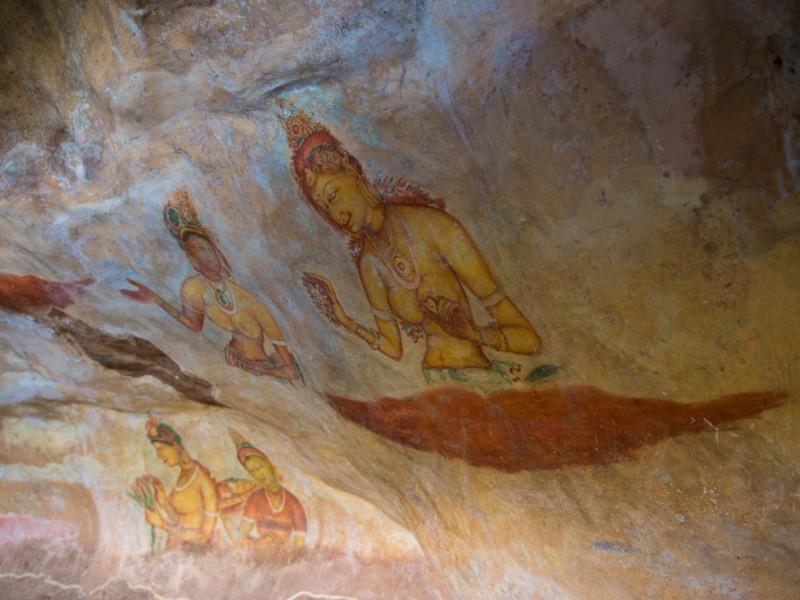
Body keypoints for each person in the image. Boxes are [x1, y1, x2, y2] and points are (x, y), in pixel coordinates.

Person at [280, 107, 541, 383]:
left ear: (352, 172)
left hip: (478, 376)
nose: (335, 214)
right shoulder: (369, 263)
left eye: (333, 195)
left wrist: (473, 334)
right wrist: (345, 321)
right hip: (433, 383)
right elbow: (392, 348)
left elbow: (529, 339)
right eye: (324, 207)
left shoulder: (435, 227)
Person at [120, 190, 300, 382]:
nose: (207, 256)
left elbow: (291, 372)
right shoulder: (193, 288)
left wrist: (253, 368)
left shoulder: (247, 299)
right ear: (193, 260)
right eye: (199, 251)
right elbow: (194, 325)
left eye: (209, 249)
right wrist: (157, 300)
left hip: (256, 367)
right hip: (231, 364)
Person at [134, 417, 219, 550]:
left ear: (175, 446)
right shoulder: (182, 476)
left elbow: (205, 537)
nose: (158, 455)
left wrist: (162, 524)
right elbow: (181, 520)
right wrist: (163, 501)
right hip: (176, 549)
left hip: (193, 553)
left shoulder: (203, 481)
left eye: (160, 449)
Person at [217, 429, 307, 549]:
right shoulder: (255, 499)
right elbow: (239, 537)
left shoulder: (293, 503)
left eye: (259, 466)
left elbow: (299, 544)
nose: (258, 474)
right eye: (252, 471)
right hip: (259, 556)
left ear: (269, 465)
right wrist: (226, 520)